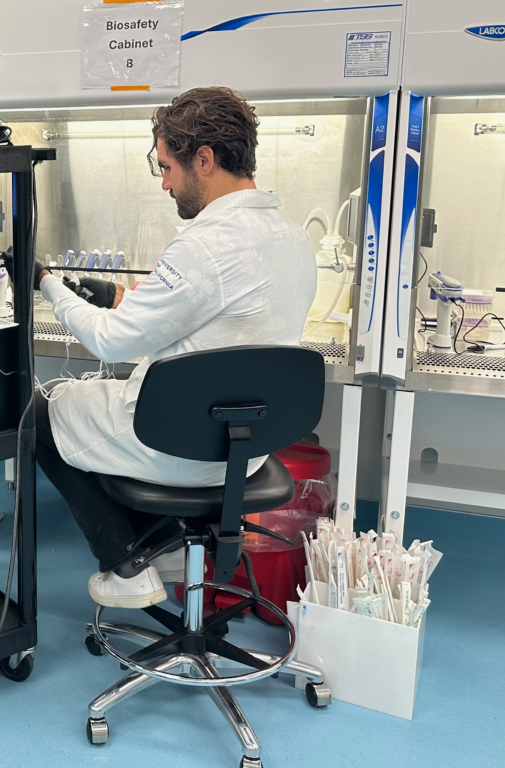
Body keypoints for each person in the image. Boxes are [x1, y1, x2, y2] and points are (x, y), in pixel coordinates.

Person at [30, 87, 316, 609]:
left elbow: (107, 341)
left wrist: (47, 283)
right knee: (111, 394)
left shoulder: (203, 245)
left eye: (167, 168)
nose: (164, 183)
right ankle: (160, 547)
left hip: (180, 446)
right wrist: (120, 296)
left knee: (39, 408)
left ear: (203, 160)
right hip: (243, 448)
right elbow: (216, 322)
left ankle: (125, 563)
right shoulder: (293, 238)